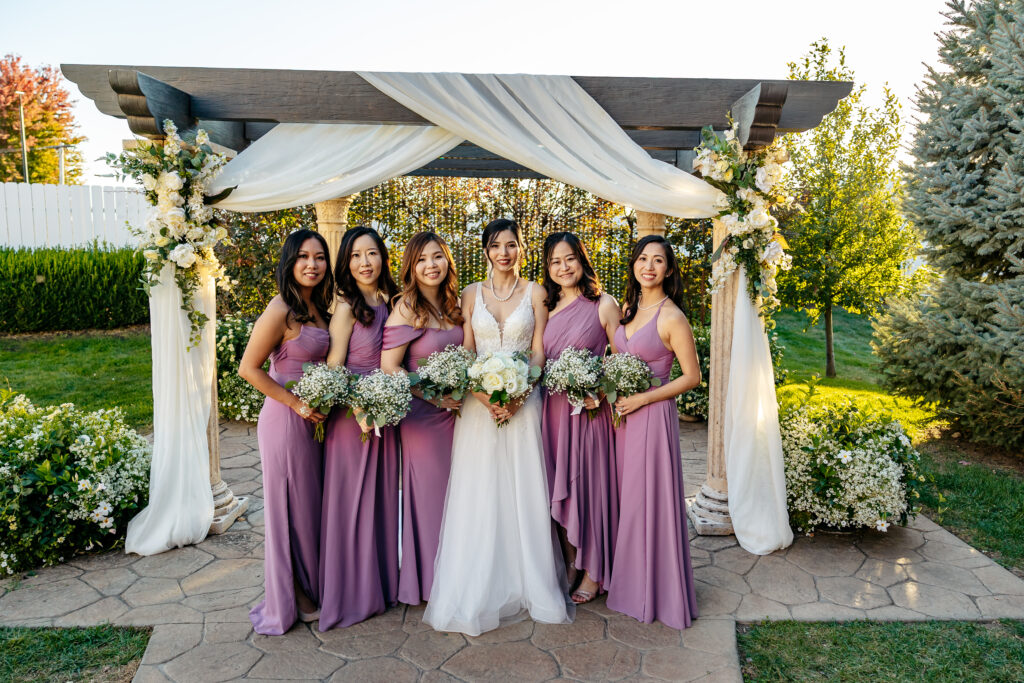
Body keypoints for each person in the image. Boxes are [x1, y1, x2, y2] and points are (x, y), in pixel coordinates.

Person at [424, 218, 574, 635]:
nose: (503, 253)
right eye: (495, 246)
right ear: (487, 251)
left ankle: (532, 582)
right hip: (480, 407)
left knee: (524, 489)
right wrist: (485, 395)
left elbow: (540, 350)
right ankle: (480, 584)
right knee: (482, 489)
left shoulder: (536, 292)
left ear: (520, 248)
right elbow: (468, 351)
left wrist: (523, 390)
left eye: (511, 245)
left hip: (525, 405)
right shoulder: (471, 294)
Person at [239, 229, 333, 635]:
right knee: (289, 506)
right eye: (303, 257)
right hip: (285, 420)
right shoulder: (280, 308)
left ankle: (312, 582)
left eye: (319, 257)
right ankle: (292, 591)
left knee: (310, 505)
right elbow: (249, 368)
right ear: (289, 262)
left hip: (315, 421)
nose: (312, 265)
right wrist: (296, 403)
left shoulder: (320, 307)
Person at [607, 234, 701, 630]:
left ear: (669, 269)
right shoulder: (627, 309)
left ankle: (654, 591)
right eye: (643, 258)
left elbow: (693, 377)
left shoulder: (671, 316)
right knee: (628, 502)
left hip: (651, 417)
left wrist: (644, 399)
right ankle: (630, 583)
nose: (649, 266)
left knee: (649, 503)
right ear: (634, 264)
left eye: (658, 260)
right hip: (621, 419)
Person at [318, 225, 400, 630]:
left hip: (385, 414)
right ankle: (349, 592)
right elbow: (335, 366)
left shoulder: (392, 300)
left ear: (382, 257)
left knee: (381, 501)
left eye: (371, 254)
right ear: (346, 264)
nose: (365, 263)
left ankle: (379, 586)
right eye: (355, 256)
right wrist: (362, 406)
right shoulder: (347, 306)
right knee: (351, 505)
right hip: (354, 420)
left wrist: (385, 401)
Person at [380, 232, 465, 605]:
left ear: (447, 261)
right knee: (432, 496)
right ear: (411, 268)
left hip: (459, 414)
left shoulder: (456, 304)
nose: (431, 265)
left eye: (437, 257)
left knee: (460, 495)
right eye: (421, 260)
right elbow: (390, 367)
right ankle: (434, 584)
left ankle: (461, 573)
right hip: (423, 419)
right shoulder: (405, 308)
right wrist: (433, 395)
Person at [539, 232, 621, 605]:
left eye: (569, 258)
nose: (563, 267)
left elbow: (623, 361)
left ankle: (595, 571)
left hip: (590, 414)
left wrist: (600, 390)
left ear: (582, 260)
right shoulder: (545, 308)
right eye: (555, 261)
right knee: (556, 489)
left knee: (589, 489)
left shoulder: (603, 304)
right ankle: (571, 562)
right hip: (553, 412)